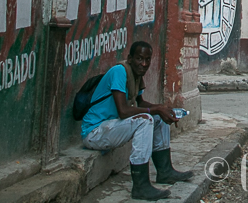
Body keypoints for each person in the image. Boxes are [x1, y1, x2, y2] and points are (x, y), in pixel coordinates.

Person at [80, 41, 193, 200]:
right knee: (145, 120)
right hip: (94, 132)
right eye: (139, 59)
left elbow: (140, 103)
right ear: (130, 58)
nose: (144, 64)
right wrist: (156, 109)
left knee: (157, 116)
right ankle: (140, 186)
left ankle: (165, 172)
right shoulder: (120, 71)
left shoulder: (136, 75)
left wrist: (162, 109)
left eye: (147, 60)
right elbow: (123, 110)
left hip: (112, 128)